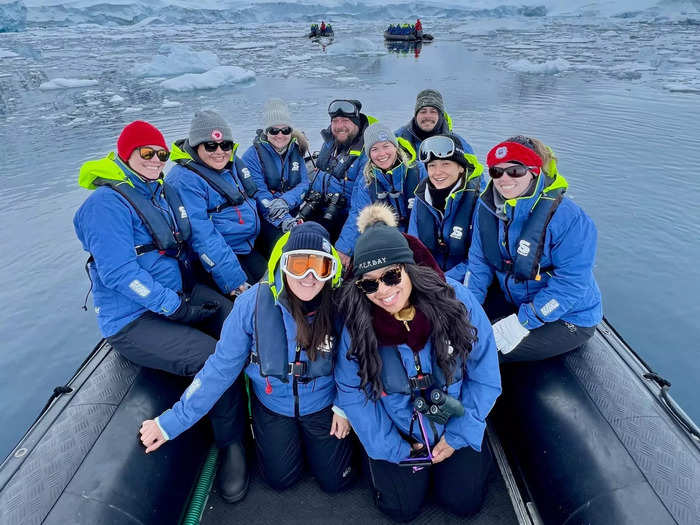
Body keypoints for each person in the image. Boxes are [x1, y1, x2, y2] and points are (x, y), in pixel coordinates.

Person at [74, 120, 248, 502]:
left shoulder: (160, 191)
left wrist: (225, 285)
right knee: (209, 358)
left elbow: (193, 236)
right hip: (134, 319)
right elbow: (120, 273)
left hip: (178, 294)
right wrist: (174, 307)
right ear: (126, 154)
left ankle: (261, 405)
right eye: (146, 153)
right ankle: (231, 444)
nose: (155, 160)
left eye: (161, 154)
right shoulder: (104, 205)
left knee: (233, 314)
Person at [139, 222, 356, 495]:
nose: (309, 277)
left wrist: (344, 408)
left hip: (325, 404)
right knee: (280, 480)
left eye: (320, 267)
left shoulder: (340, 306)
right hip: (273, 405)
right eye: (299, 265)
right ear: (283, 265)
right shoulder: (250, 305)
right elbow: (219, 370)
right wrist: (170, 423)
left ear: (331, 271)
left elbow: (352, 362)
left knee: (337, 482)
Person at [334, 204, 501, 522]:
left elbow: (484, 373)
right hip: (398, 429)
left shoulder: (458, 302)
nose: (383, 291)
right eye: (369, 283)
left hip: (452, 419)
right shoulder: (356, 323)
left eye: (391, 275)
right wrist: (390, 447)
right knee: (400, 509)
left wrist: (460, 433)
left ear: (409, 268)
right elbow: (351, 388)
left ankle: (471, 445)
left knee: (464, 503)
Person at [466, 136, 603, 361]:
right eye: (496, 172)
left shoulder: (570, 219)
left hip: (567, 316)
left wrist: (524, 321)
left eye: (516, 171)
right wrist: (466, 309)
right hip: (515, 300)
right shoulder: (488, 209)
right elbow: (478, 264)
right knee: (455, 333)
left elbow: (571, 284)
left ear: (534, 171)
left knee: (482, 351)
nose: (504, 179)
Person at [167, 110, 266, 297]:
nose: (220, 152)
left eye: (225, 145)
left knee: (277, 281)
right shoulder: (184, 180)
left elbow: (255, 198)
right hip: (220, 255)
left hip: (247, 244)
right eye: (211, 146)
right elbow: (203, 236)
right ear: (196, 147)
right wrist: (235, 281)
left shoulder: (232, 164)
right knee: (257, 300)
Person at [335, 123, 421, 267]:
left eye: (386, 146)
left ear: (395, 147)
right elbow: (358, 214)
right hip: (387, 239)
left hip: (417, 237)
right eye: (374, 149)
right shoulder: (366, 181)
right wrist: (343, 250)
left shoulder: (419, 172)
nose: (381, 154)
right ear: (369, 154)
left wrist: (412, 247)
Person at [408, 133, 484, 283]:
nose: (437, 172)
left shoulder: (478, 203)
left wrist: (443, 280)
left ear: (461, 168)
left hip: (461, 280)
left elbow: (478, 260)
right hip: (427, 278)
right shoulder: (421, 199)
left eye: (446, 164)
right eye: (432, 165)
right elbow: (413, 248)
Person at [242, 98, 309, 258]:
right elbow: (260, 194)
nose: (280, 135)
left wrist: (286, 201)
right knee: (288, 248)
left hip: (292, 210)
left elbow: (304, 183)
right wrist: (284, 220)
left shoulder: (295, 149)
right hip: (266, 218)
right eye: (274, 130)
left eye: (285, 130)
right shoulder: (251, 156)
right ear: (266, 131)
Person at [300, 99, 374, 241]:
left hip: (347, 220)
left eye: (345, 120)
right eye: (335, 121)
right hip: (322, 211)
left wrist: (344, 247)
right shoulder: (329, 143)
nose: (339, 126)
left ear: (356, 122)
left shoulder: (368, 154)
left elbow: (361, 208)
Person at [395, 89, 474, 156]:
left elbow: (475, 172)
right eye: (423, 112)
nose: (427, 116)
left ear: (440, 116)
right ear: (416, 116)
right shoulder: (396, 139)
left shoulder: (457, 144)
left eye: (433, 112)